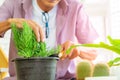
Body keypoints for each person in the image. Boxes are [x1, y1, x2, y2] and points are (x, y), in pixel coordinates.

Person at [0, 0, 98, 80]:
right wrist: (10, 23)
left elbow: (94, 51)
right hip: (22, 78)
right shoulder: (13, 4)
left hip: (64, 78)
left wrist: (77, 48)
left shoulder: (75, 7)